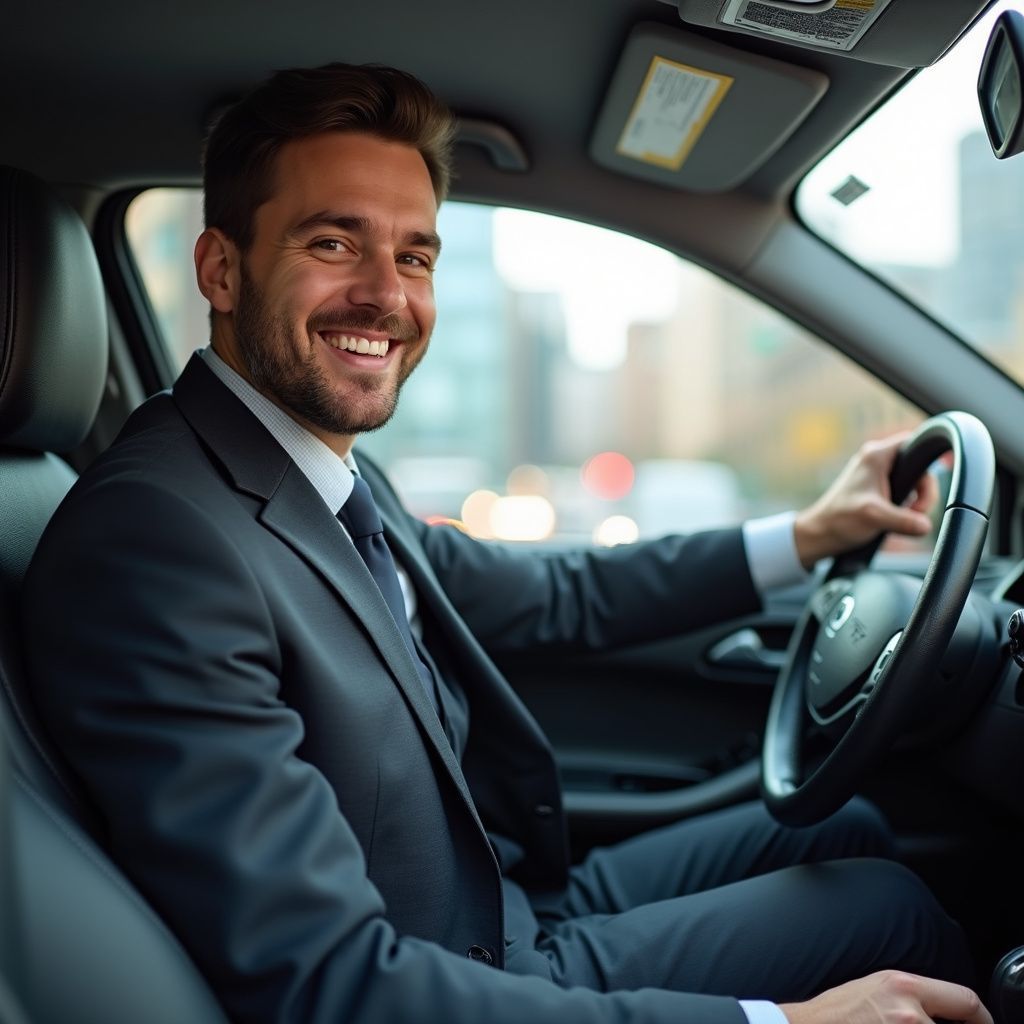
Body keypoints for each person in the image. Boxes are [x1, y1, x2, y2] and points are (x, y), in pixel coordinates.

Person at [22, 63, 990, 1024]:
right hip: (453, 973)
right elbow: (329, 985)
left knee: (848, 823)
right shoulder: (157, 541)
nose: (384, 296)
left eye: (415, 257)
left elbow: (556, 593)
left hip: (503, 907)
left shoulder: (318, 475)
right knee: (887, 913)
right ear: (220, 269)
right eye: (332, 242)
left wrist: (812, 534)